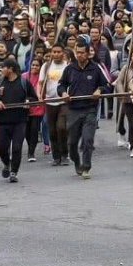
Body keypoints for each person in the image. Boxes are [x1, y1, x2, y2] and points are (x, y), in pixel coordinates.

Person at [57, 43, 111, 179]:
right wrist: (63, 93)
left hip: (90, 109)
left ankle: (86, 167)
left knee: (88, 140)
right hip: (73, 110)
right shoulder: (70, 69)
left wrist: (99, 90)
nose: (79, 55)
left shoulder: (95, 69)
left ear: (88, 54)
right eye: (77, 52)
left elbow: (106, 85)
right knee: (72, 143)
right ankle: (77, 162)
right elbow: (61, 85)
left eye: (82, 52)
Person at [0, 59, 39, 183]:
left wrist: (28, 101)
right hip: (3, 120)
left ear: (10, 69)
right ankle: (7, 163)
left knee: (17, 147)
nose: (1, 71)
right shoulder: (0, 82)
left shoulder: (24, 82)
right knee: (2, 147)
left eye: (4, 68)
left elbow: (34, 97)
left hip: (20, 120)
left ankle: (14, 171)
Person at [38, 44, 70, 166]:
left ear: (63, 53)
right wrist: (40, 95)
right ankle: (56, 156)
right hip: (50, 101)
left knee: (61, 127)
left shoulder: (67, 66)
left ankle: (65, 154)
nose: (56, 54)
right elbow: (40, 83)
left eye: (59, 52)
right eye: (54, 52)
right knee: (52, 131)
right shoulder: (46, 67)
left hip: (63, 101)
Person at [113, 47, 133, 157]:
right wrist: (122, 94)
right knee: (132, 123)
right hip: (128, 99)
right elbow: (119, 82)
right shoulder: (126, 68)